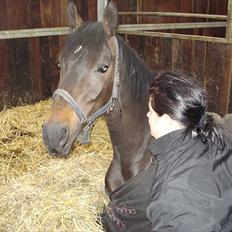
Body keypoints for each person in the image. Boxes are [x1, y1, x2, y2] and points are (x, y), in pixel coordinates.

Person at [146, 72, 232, 232]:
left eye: (150, 111)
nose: (147, 115)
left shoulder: (177, 200)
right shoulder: (214, 132)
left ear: (165, 120)